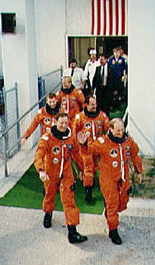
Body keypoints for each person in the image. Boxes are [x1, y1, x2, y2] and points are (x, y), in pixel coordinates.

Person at [78, 118, 143, 245]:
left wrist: (139, 171)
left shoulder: (128, 140)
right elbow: (90, 150)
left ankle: (109, 210)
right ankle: (113, 231)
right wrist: (84, 143)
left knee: (122, 203)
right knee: (113, 204)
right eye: (118, 130)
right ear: (111, 130)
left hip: (123, 178)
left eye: (122, 130)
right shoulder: (103, 142)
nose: (120, 132)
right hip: (108, 179)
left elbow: (135, 154)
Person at [34, 112, 87, 244]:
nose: (64, 126)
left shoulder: (70, 137)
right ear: (55, 122)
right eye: (61, 123)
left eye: (66, 123)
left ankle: (72, 232)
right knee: (49, 195)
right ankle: (48, 213)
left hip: (66, 174)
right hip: (51, 172)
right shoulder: (47, 138)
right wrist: (41, 170)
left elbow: (76, 154)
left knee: (69, 201)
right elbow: (38, 155)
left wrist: (81, 169)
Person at [73, 95, 110, 202]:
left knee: (101, 168)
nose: (94, 106)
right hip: (86, 148)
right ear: (86, 105)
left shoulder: (102, 116)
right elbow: (74, 134)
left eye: (95, 104)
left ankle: (105, 187)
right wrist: (79, 144)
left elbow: (108, 131)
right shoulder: (79, 117)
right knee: (88, 169)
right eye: (92, 105)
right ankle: (88, 191)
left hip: (99, 147)